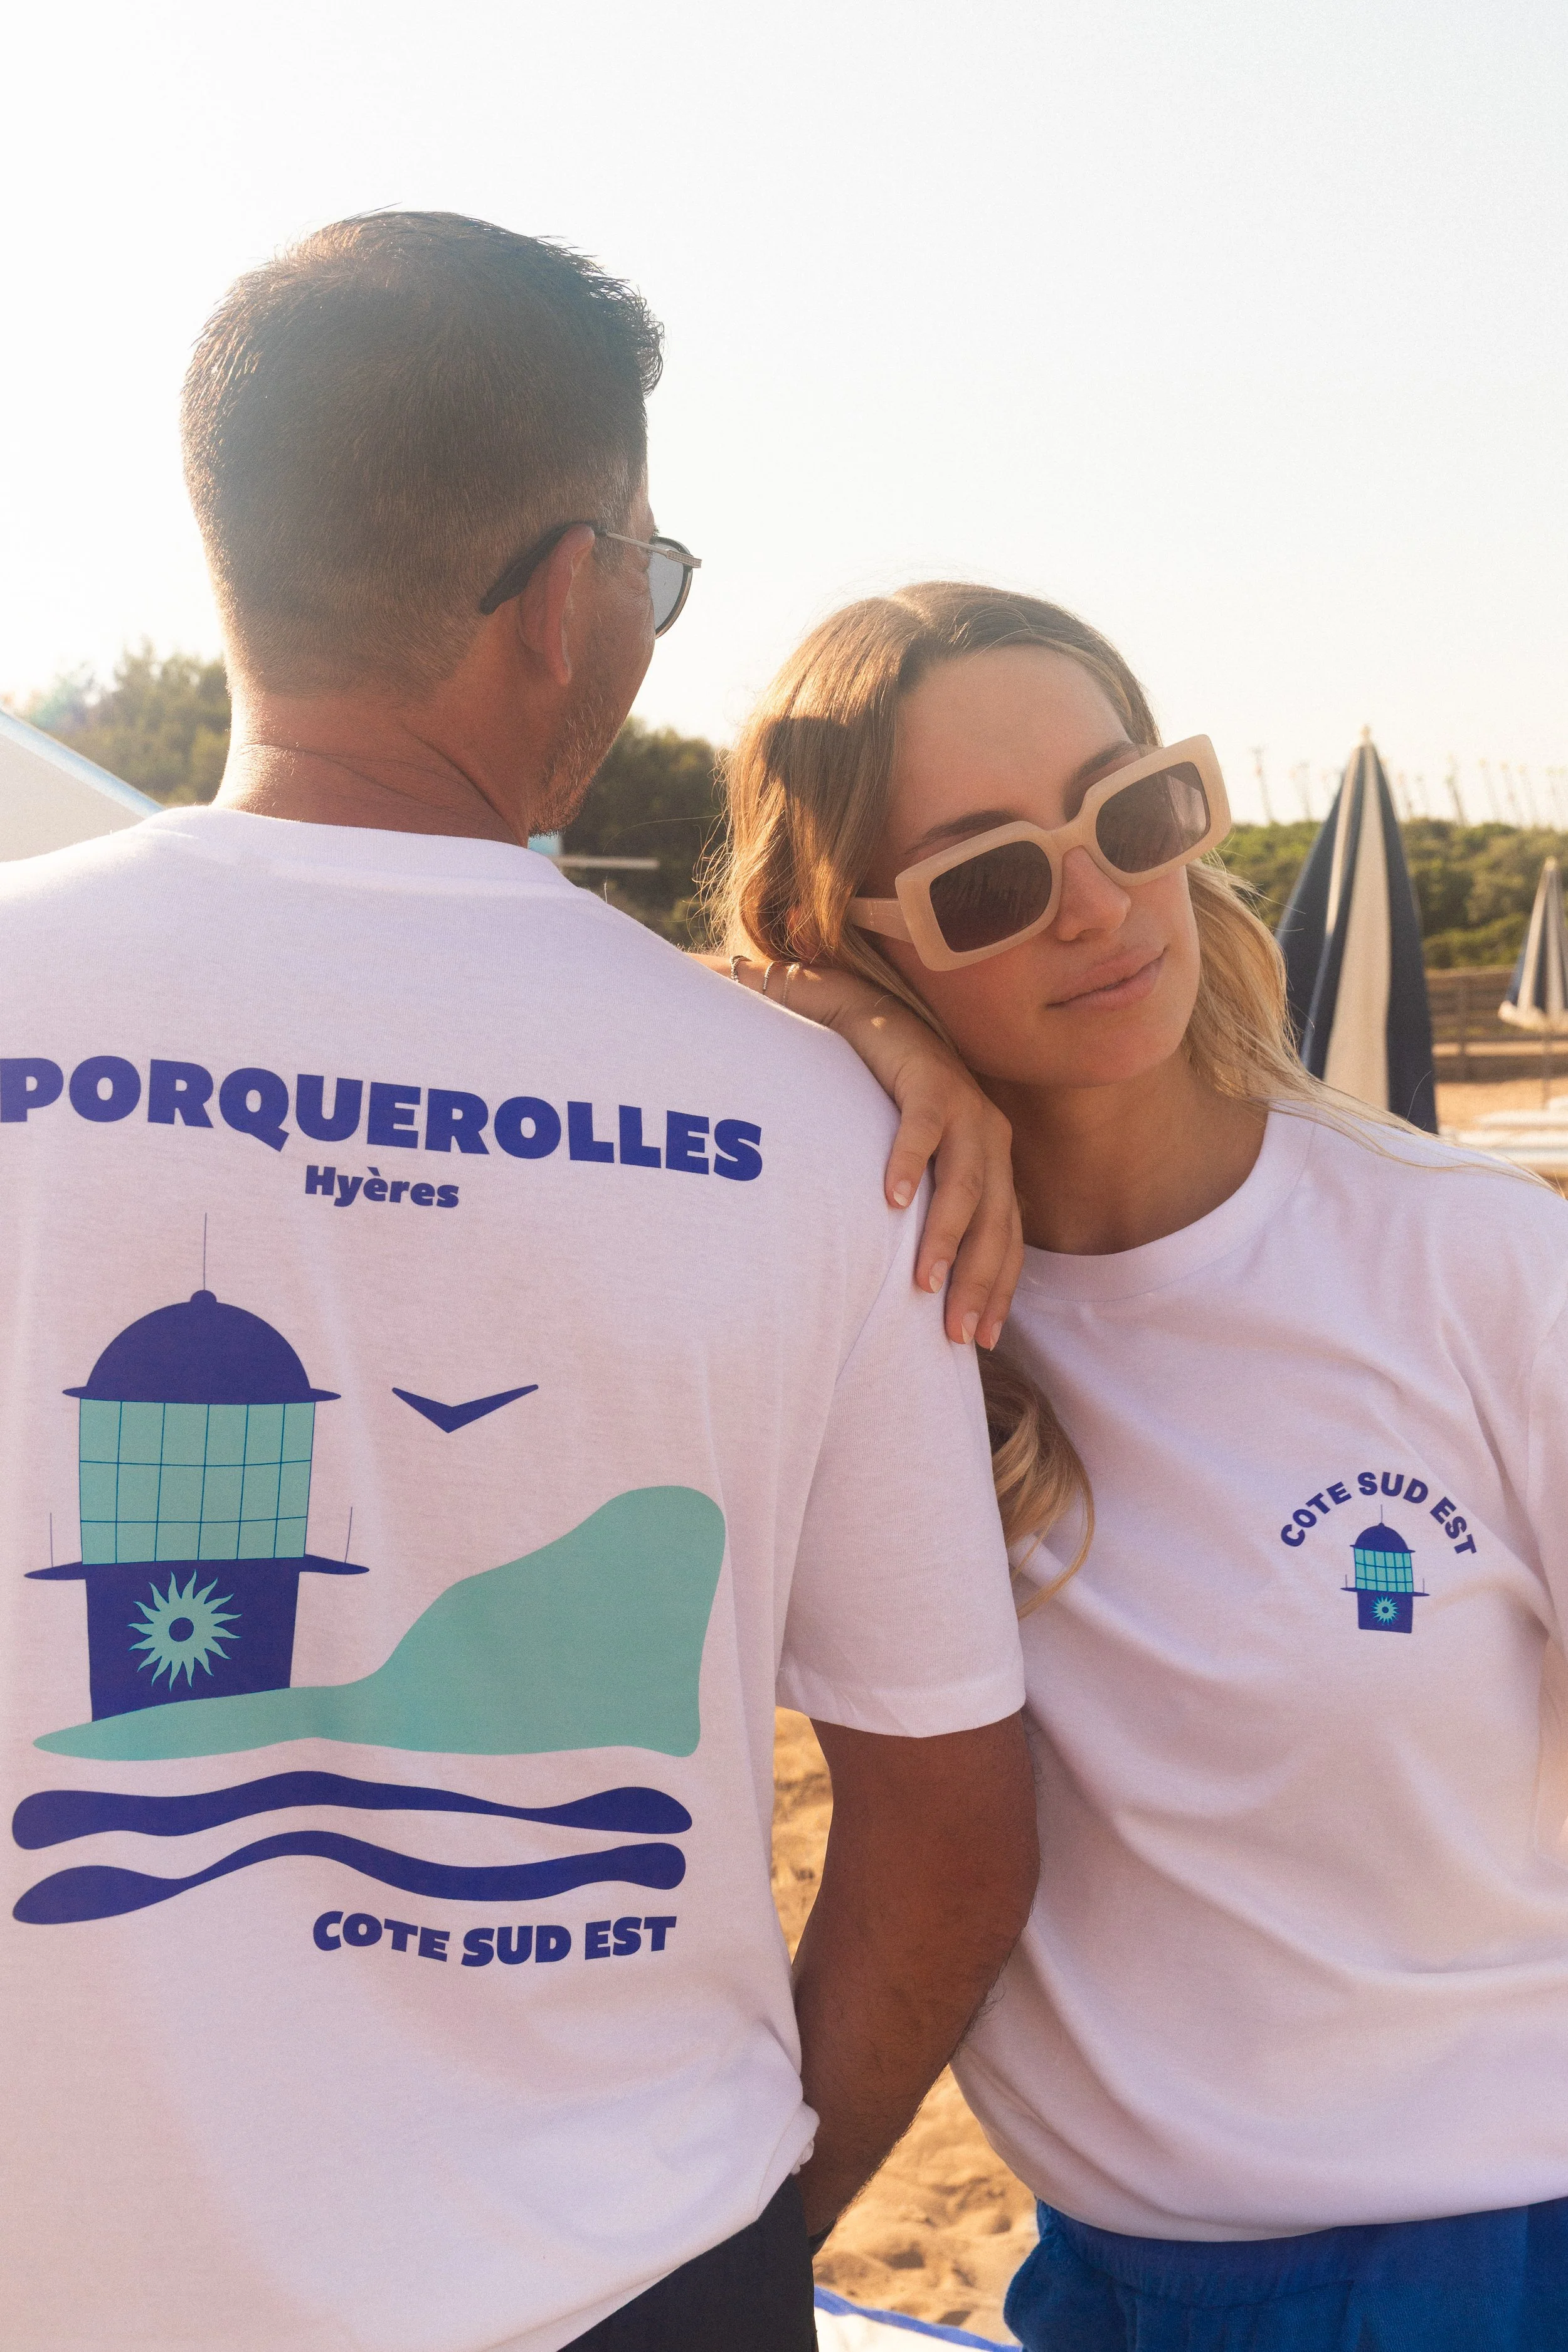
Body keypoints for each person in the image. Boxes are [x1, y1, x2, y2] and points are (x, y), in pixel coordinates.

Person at [0, 220, 1041, 2352]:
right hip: (614, 2283)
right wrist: (733, 2238)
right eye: (651, 581)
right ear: (568, 598)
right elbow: (945, 1822)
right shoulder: (814, 1126)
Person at [709, 580, 1568, 2352]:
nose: (1098, 902)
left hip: (1491, 2261)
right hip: (1102, 2284)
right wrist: (858, 1039)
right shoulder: (880, 1319)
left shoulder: (1468, 1257)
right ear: (851, 932)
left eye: (1134, 808)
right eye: (989, 879)